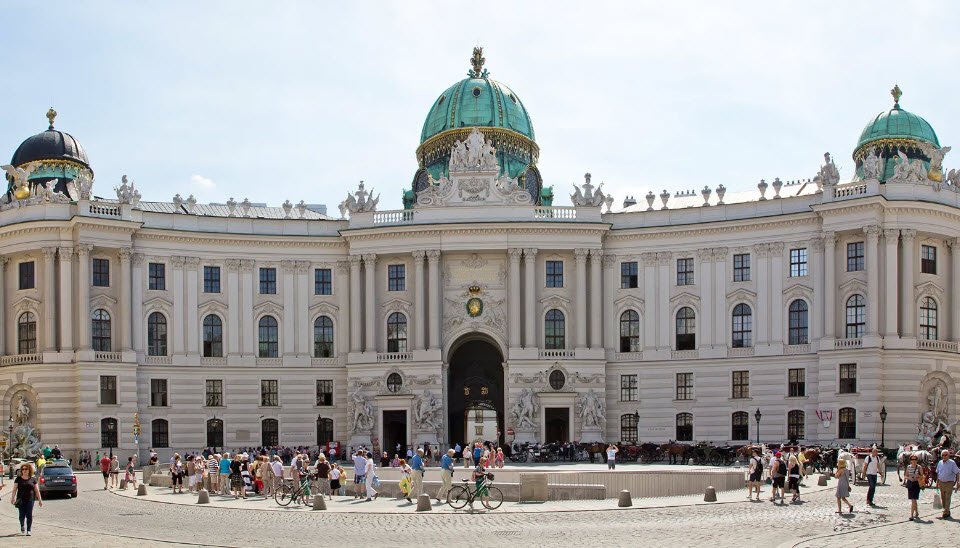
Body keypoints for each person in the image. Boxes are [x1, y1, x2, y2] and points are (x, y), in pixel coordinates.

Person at [10, 463, 42, 536]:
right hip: (20, 500)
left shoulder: (33, 479)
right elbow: (14, 489)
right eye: (23, 469)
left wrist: (40, 500)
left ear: (29, 470)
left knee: (29, 514)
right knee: (22, 515)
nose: (24, 470)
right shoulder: (18, 479)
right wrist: (13, 498)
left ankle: (29, 530)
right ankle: (22, 525)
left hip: (30, 499)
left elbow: (37, 490)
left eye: (26, 469)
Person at [935, 449, 959, 519]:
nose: (944, 456)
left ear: (948, 455)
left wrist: (958, 482)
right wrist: (937, 482)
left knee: (948, 497)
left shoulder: (952, 463)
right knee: (943, 498)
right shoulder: (940, 463)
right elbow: (938, 473)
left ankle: (945, 512)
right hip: (941, 482)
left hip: (949, 483)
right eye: (943, 455)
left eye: (945, 455)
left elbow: (957, 472)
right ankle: (947, 511)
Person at [903, 454, 922, 520]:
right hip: (910, 483)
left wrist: (917, 476)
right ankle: (916, 512)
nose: (914, 461)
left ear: (917, 460)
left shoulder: (919, 467)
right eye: (912, 459)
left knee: (913, 499)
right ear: (910, 460)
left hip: (916, 484)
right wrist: (909, 478)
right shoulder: (908, 467)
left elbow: (922, 476)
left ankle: (911, 515)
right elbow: (905, 476)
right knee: (913, 500)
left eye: (915, 459)